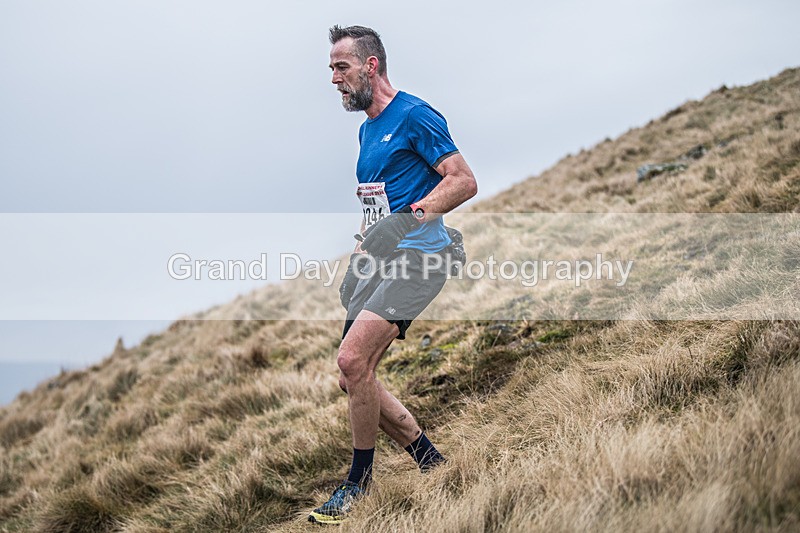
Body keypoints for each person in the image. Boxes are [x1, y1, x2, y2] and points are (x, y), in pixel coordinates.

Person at [308, 25, 477, 525]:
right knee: (350, 377)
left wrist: (407, 219)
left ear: (371, 65)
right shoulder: (366, 130)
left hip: (421, 261)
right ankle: (431, 462)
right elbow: (376, 206)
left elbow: (463, 181)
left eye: (342, 67)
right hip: (381, 263)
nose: (334, 78)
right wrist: (361, 255)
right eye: (331, 69)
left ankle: (358, 485)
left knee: (353, 359)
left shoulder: (415, 115)